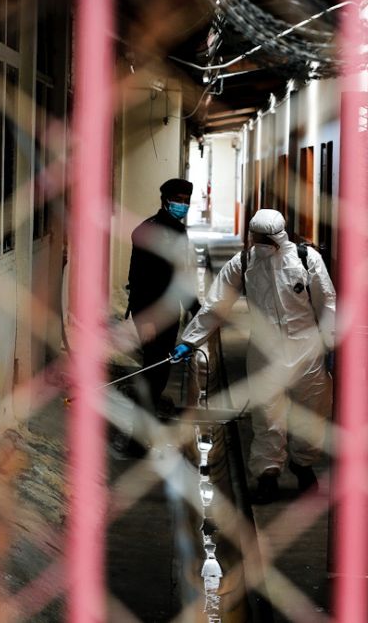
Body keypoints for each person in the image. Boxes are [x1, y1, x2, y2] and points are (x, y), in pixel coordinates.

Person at [172, 209, 336, 503]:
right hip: (264, 353)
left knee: (312, 412)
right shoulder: (244, 263)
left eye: (264, 238)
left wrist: (332, 342)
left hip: (306, 350)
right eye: (256, 237)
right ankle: (268, 474)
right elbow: (216, 304)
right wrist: (190, 340)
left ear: (278, 235)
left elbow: (327, 301)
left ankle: (303, 465)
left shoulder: (306, 259)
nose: (259, 243)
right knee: (266, 415)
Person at [127, 178, 199, 421]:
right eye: (177, 200)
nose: (183, 205)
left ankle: (147, 421)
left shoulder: (178, 231)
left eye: (186, 201)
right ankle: (137, 436)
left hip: (170, 312)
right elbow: (137, 280)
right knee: (153, 372)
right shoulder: (146, 231)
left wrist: (195, 308)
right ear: (165, 200)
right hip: (150, 313)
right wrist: (143, 319)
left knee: (161, 371)